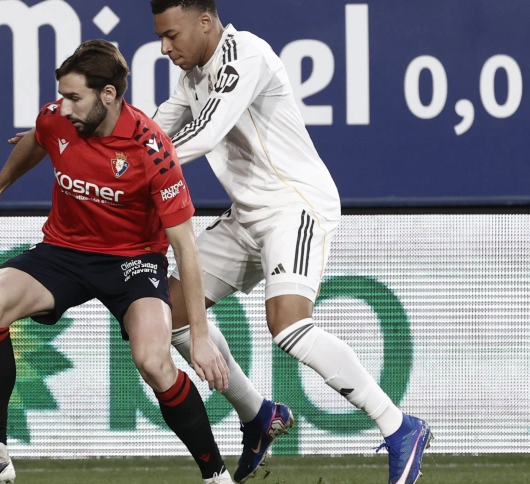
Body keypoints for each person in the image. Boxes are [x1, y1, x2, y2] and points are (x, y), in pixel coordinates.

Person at [148, 1, 432, 482]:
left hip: (294, 207)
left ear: (204, 22)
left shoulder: (246, 56)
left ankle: (400, 426)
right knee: (164, 314)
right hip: (246, 218)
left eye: (172, 35)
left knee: (288, 326)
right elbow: (149, 131)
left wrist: (133, 168)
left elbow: (202, 134)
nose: (164, 47)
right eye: (161, 37)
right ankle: (258, 414)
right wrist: (80, 140)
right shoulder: (192, 78)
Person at [0, 39, 234, 484]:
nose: (63, 107)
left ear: (108, 95)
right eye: (61, 96)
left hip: (132, 262)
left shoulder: (151, 150)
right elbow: (37, 138)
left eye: (74, 97)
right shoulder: (59, 118)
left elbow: (186, 247)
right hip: (64, 252)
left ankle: (216, 476)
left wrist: (199, 336)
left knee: (154, 361)